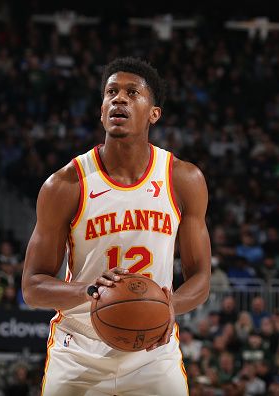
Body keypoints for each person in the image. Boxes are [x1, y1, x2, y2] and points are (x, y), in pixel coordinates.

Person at [22, 57, 211, 395]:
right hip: (79, 348)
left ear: (154, 113)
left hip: (152, 351)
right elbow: (32, 287)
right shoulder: (65, 184)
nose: (119, 99)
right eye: (111, 92)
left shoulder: (183, 179)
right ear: (101, 110)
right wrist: (89, 291)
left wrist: (170, 306)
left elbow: (200, 279)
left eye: (131, 93)